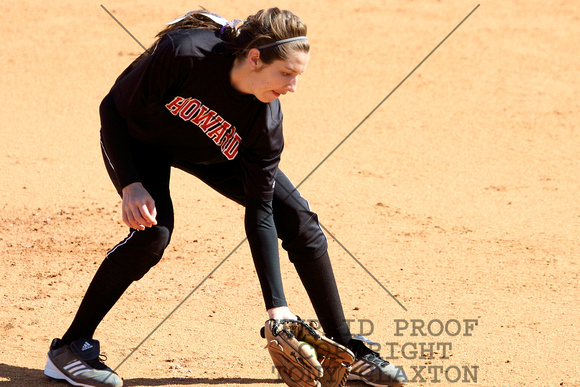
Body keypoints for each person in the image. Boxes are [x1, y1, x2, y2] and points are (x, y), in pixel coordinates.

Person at [43, 8, 407, 387]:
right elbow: (113, 110)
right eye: (286, 73)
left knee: (298, 219)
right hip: (140, 141)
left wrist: (277, 309)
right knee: (153, 234)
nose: (292, 87)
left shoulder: (265, 122)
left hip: (211, 152)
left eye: (298, 77)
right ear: (254, 58)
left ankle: (343, 348)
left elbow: (260, 211)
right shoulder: (183, 54)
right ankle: (69, 347)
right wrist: (131, 184)